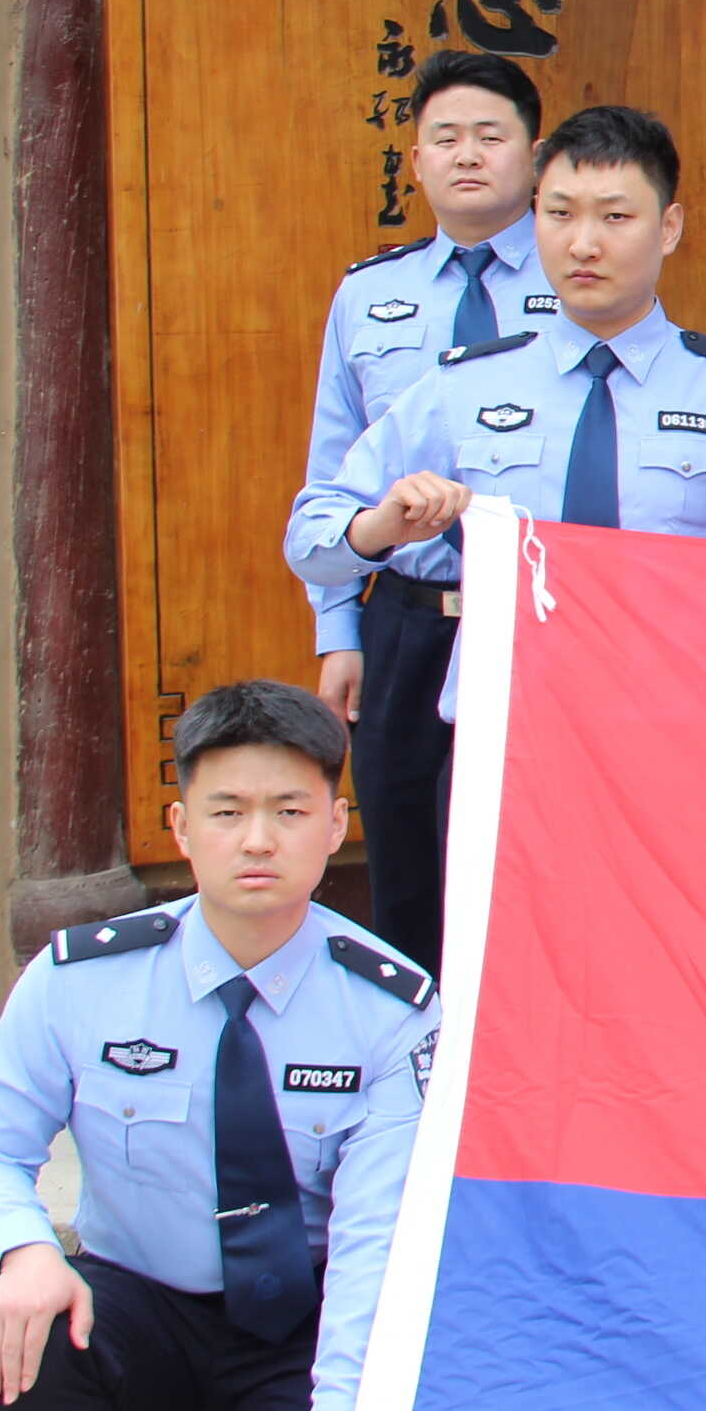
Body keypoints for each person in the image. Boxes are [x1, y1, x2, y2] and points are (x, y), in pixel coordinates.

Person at [0, 680, 439, 1411]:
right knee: (18, 1364)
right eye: (227, 811)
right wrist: (25, 1252)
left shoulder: (393, 1009)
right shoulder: (80, 980)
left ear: (336, 824)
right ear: (181, 828)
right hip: (138, 1304)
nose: (257, 840)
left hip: (301, 1316)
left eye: (289, 811)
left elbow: (377, 1239)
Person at [286, 106, 706, 826]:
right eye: (559, 214)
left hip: (677, 745)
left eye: (615, 217)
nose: (583, 243)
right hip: (505, 745)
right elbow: (310, 539)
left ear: (669, 227)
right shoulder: (463, 388)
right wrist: (383, 526)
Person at [303, 51, 563, 971]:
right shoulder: (369, 295)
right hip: (408, 621)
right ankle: (415, 1045)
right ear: (415, 162)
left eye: (491, 136)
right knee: (406, 861)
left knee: (537, 864)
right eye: (445, 138)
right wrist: (339, 630)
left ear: (534, 157)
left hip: (536, 620)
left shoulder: (581, 282)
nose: (468, 155)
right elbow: (333, 470)